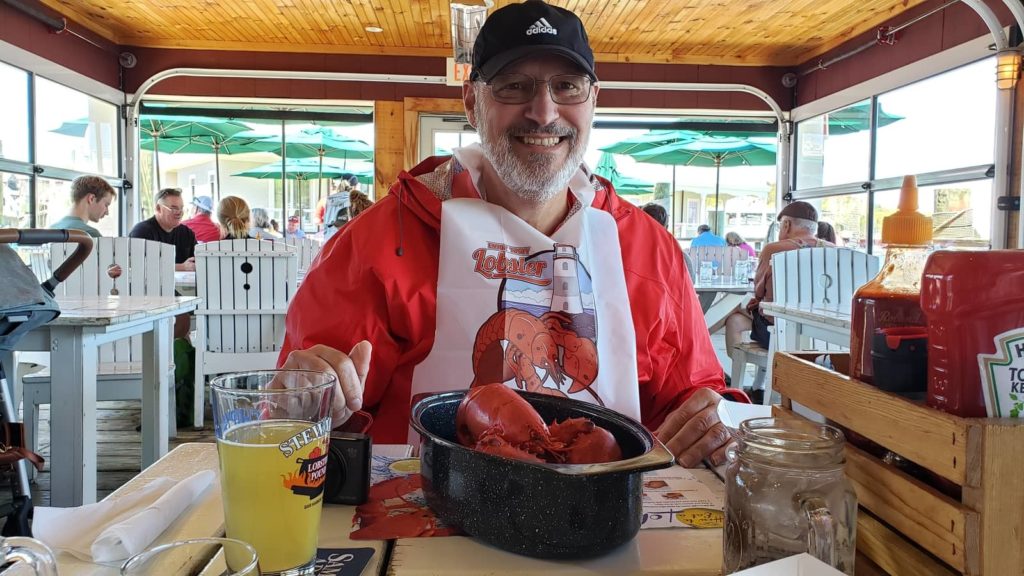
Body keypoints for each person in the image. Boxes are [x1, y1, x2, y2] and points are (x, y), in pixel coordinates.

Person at [279, 0, 744, 469]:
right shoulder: (377, 242)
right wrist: (310, 403)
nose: (543, 112)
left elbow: (695, 397)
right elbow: (298, 412)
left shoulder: (649, 248)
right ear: (471, 103)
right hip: (427, 520)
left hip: (607, 523)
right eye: (513, 86)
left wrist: (714, 418)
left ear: (593, 100)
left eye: (566, 86)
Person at [724, 201, 834, 354]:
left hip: (779, 334)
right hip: (826, 337)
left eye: (780, 225)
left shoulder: (774, 249)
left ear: (787, 225)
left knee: (731, 306)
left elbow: (759, 292)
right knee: (734, 320)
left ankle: (697, 340)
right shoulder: (836, 251)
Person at [129, 187, 198, 339]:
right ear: (158, 208)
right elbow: (137, 267)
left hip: (183, 292)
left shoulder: (186, 233)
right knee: (180, 317)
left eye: (181, 208)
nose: (179, 212)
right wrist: (181, 267)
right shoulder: (142, 232)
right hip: (146, 294)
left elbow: (197, 260)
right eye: (173, 208)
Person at [49, 175, 115, 238]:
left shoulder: (51, 229)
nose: (107, 212)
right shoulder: (90, 234)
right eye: (106, 205)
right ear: (91, 198)